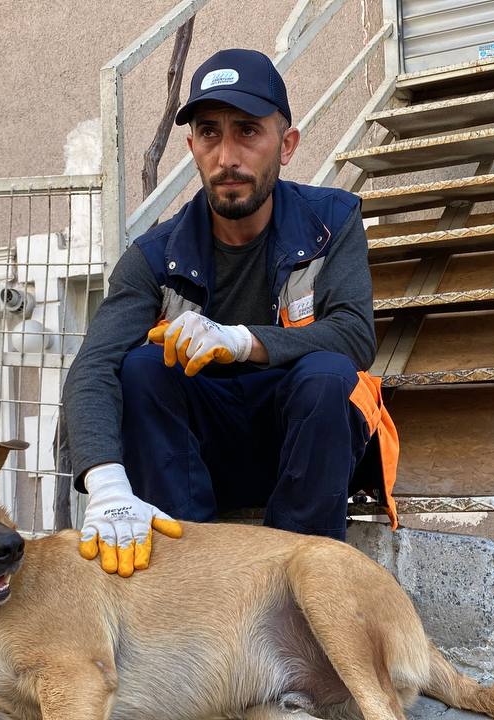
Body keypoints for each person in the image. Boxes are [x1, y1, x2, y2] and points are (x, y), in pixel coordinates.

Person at [62, 48, 397, 578]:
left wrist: (239, 340)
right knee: (143, 367)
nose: (227, 157)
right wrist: (106, 485)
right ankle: (189, 581)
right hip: (198, 461)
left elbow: (355, 334)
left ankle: (303, 583)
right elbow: (92, 367)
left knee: (330, 373)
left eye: (248, 132)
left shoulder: (331, 222)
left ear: (285, 146)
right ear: (192, 145)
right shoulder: (154, 255)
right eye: (211, 133)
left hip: (308, 449)